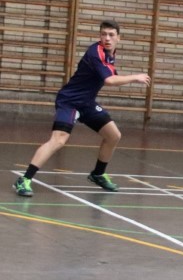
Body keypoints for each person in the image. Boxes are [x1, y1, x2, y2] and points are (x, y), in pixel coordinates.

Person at [12, 20, 150, 197]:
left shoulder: (109, 54)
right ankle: (24, 179)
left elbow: (110, 75)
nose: (107, 38)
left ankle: (98, 174)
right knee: (58, 140)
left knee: (113, 135)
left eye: (111, 35)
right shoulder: (96, 52)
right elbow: (109, 80)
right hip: (69, 101)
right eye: (103, 34)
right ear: (99, 36)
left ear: (118, 38)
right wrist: (135, 77)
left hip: (87, 103)